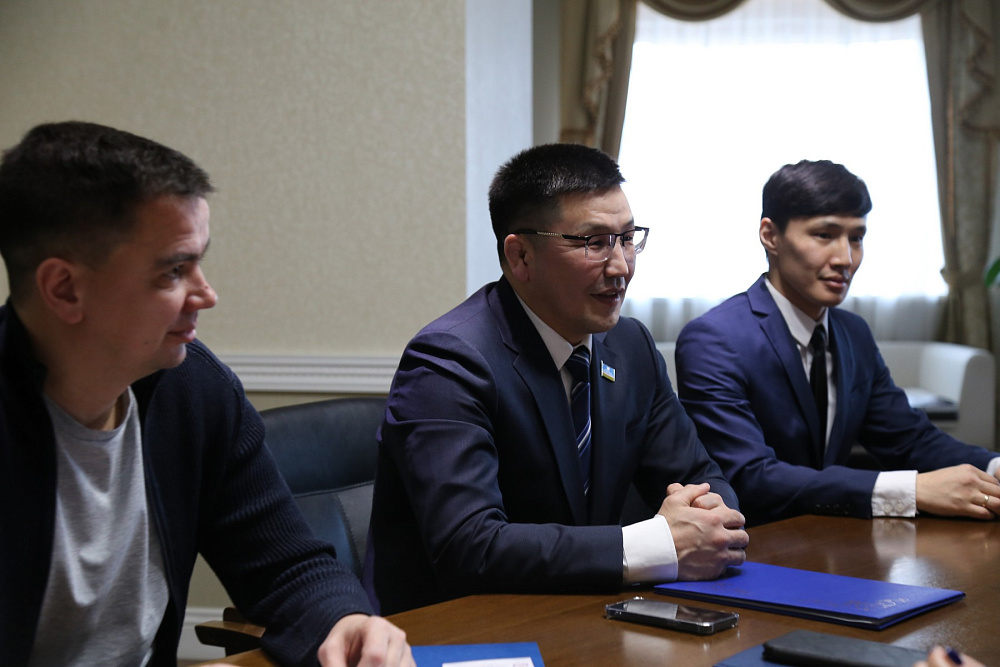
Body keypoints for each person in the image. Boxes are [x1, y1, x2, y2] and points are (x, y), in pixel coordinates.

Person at [0, 121, 413, 667]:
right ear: (65, 288)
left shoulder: (194, 390)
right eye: (174, 270)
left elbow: (285, 568)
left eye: (200, 261)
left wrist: (348, 623)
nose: (207, 294)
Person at [363, 143, 748, 615]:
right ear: (521, 256)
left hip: (586, 613)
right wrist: (655, 544)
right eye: (593, 242)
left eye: (627, 238)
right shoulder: (448, 362)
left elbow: (702, 478)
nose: (621, 266)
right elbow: (470, 547)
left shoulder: (630, 346)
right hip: (458, 629)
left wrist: (709, 518)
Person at [675, 159, 1000, 526]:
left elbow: (909, 440)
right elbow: (750, 477)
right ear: (770, 235)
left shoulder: (853, 333)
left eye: (856, 238)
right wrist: (911, 490)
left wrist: (993, 466)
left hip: (836, 539)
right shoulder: (714, 339)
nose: (846, 259)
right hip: (751, 545)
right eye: (824, 235)